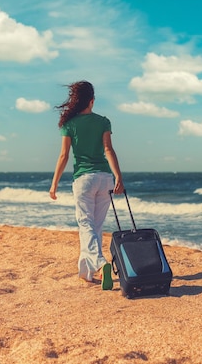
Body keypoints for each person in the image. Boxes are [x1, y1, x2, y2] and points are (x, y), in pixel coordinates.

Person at [49, 80, 124, 290]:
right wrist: (119, 176)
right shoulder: (103, 121)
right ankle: (87, 273)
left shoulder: (69, 124)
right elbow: (109, 149)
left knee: (86, 225)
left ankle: (100, 263)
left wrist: (54, 184)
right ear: (92, 100)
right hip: (105, 178)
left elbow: (64, 155)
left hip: (84, 180)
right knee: (95, 227)